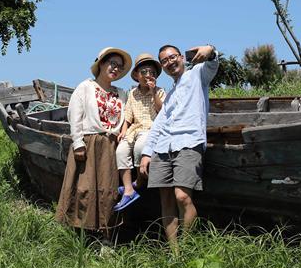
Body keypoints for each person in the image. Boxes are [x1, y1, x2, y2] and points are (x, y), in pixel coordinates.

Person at [139, 44, 218, 245]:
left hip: (189, 143)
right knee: (165, 201)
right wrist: (147, 153)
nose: (169, 62)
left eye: (172, 57)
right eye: (164, 61)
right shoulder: (170, 93)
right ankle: (175, 254)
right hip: (163, 147)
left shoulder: (197, 75)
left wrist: (210, 49)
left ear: (181, 57)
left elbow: (212, 62)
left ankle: (187, 247)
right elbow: (159, 124)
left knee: (182, 196)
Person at [55, 47, 131, 236]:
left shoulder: (121, 94)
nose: (116, 69)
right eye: (112, 63)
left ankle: (105, 235)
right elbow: (75, 115)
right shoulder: (86, 87)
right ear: (101, 64)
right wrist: (78, 143)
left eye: (120, 67)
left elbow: (128, 118)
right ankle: (79, 233)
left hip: (111, 146)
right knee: (84, 188)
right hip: (89, 143)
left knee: (108, 190)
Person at [113, 53, 165, 211]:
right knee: (121, 150)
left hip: (151, 129)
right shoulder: (132, 94)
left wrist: (153, 91)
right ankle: (129, 189)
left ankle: (139, 182)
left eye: (152, 72)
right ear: (136, 75)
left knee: (140, 147)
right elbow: (127, 116)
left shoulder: (160, 91)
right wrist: (123, 131)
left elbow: (161, 111)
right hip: (134, 129)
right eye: (144, 72)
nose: (148, 75)